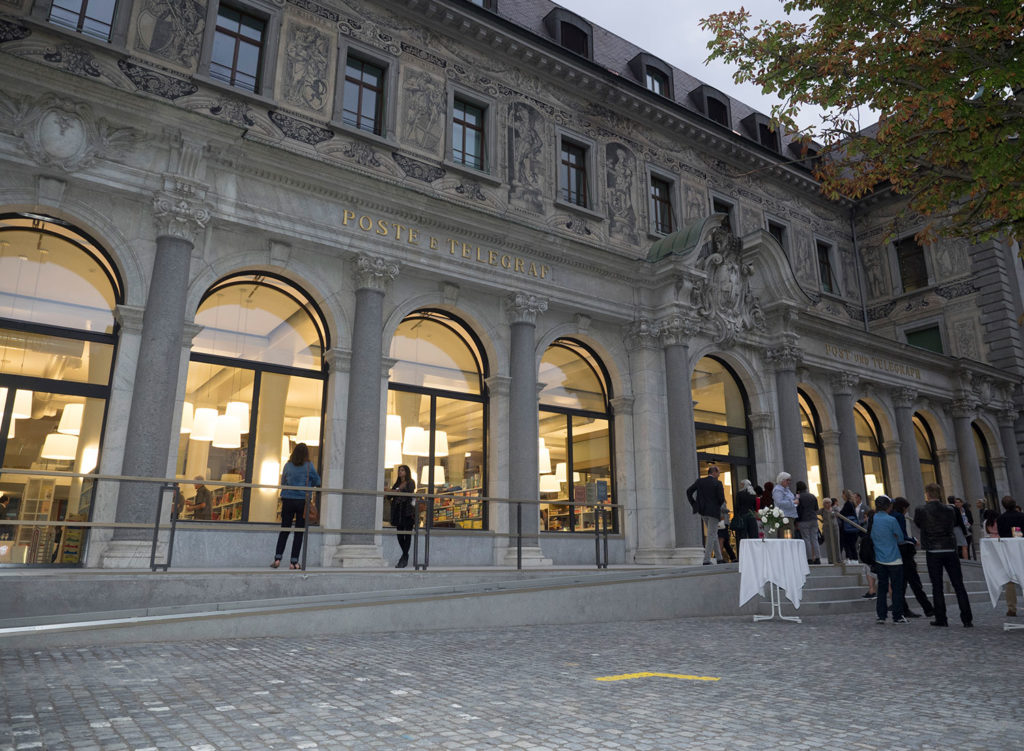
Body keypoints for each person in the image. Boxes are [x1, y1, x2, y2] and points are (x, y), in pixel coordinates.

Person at [914, 483, 973, 627]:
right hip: (949, 548)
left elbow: (919, 524)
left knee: (937, 585)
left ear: (927, 494)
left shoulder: (921, 509)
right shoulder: (949, 510)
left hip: (933, 549)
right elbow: (953, 524)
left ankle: (941, 618)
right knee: (958, 584)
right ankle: (967, 618)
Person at [272, 442, 321, 570]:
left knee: (285, 529)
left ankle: (277, 559)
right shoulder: (309, 466)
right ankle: (294, 562)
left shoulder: (287, 465)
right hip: (302, 502)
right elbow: (318, 481)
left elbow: (283, 482)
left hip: (288, 499)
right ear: (306, 454)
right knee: (299, 532)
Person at [891, 497, 934, 618]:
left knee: (902, 583)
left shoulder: (891, 515)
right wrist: (913, 540)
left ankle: (903, 609)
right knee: (914, 582)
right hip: (904, 553)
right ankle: (928, 608)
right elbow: (901, 536)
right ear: (903, 507)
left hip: (895, 553)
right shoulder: (899, 517)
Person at [870, 496, 908, 623]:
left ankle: (881, 615)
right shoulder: (892, 520)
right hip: (894, 557)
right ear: (888, 506)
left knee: (882, 587)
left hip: (879, 557)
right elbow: (901, 538)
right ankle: (897, 615)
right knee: (897, 588)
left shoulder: (873, 519)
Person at [686, 464, 726, 565]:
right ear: (714, 472)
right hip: (713, 512)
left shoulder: (700, 481)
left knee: (713, 533)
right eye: (718, 473)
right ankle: (706, 559)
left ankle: (719, 558)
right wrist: (718, 506)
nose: (719, 475)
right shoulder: (718, 483)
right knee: (712, 534)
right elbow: (721, 499)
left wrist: (694, 504)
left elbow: (688, 491)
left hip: (703, 511)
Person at [996, 496, 1024, 616]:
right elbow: (1018, 533)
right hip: (1021, 548)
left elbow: (1002, 534)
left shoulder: (1001, 518)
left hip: (1008, 550)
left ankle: (1011, 607)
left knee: (1009, 580)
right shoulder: (1021, 516)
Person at [388, 464, 417, 568]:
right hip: (397, 512)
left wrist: (396, 491)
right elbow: (389, 496)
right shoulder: (397, 483)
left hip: (407, 512)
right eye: (399, 470)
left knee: (407, 534)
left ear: (407, 472)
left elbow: (409, 493)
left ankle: (404, 558)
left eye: (402, 470)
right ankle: (405, 555)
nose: (400, 472)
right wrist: (391, 491)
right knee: (400, 534)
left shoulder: (410, 482)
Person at [795, 480, 821, 564]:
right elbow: (816, 509)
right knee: (814, 539)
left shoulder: (798, 497)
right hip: (813, 519)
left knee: (806, 539)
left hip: (803, 520)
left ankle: (809, 559)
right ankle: (817, 558)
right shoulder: (812, 496)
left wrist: (796, 521)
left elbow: (797, 509)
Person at [731, 478, 759, 553]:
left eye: (741, 484)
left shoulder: (740, 494)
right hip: (751, 516)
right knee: (753, 535)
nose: (740, 486)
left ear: (743, 485)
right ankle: (755, 552)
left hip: (743, 516)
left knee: (743, 536)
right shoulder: (753, 494)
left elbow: (737, 506)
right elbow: (755, 507)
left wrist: (736, 516)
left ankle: (744, 553)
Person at [838, 489, 860, 562]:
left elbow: (842, 514)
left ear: (845, 495)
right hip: (852, 527)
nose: (842, 496)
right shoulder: (852, 503)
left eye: (843, 494)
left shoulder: (848, 504)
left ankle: (851, 559)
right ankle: (853, 559)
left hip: (848, 528)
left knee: (848, 544)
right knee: (852, 544)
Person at [819, 498, 841, 565]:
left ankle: (838, 559)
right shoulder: (822, 510)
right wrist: (820, 520)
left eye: (829, 502)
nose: (828, 504)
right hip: (826, 528)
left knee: (836, 542)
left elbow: (839, 512)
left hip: (834, 527)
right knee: (828, 544)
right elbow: (814, 513)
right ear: (823, 504)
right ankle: (830, 559)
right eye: (826, 503)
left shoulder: (834, 509)